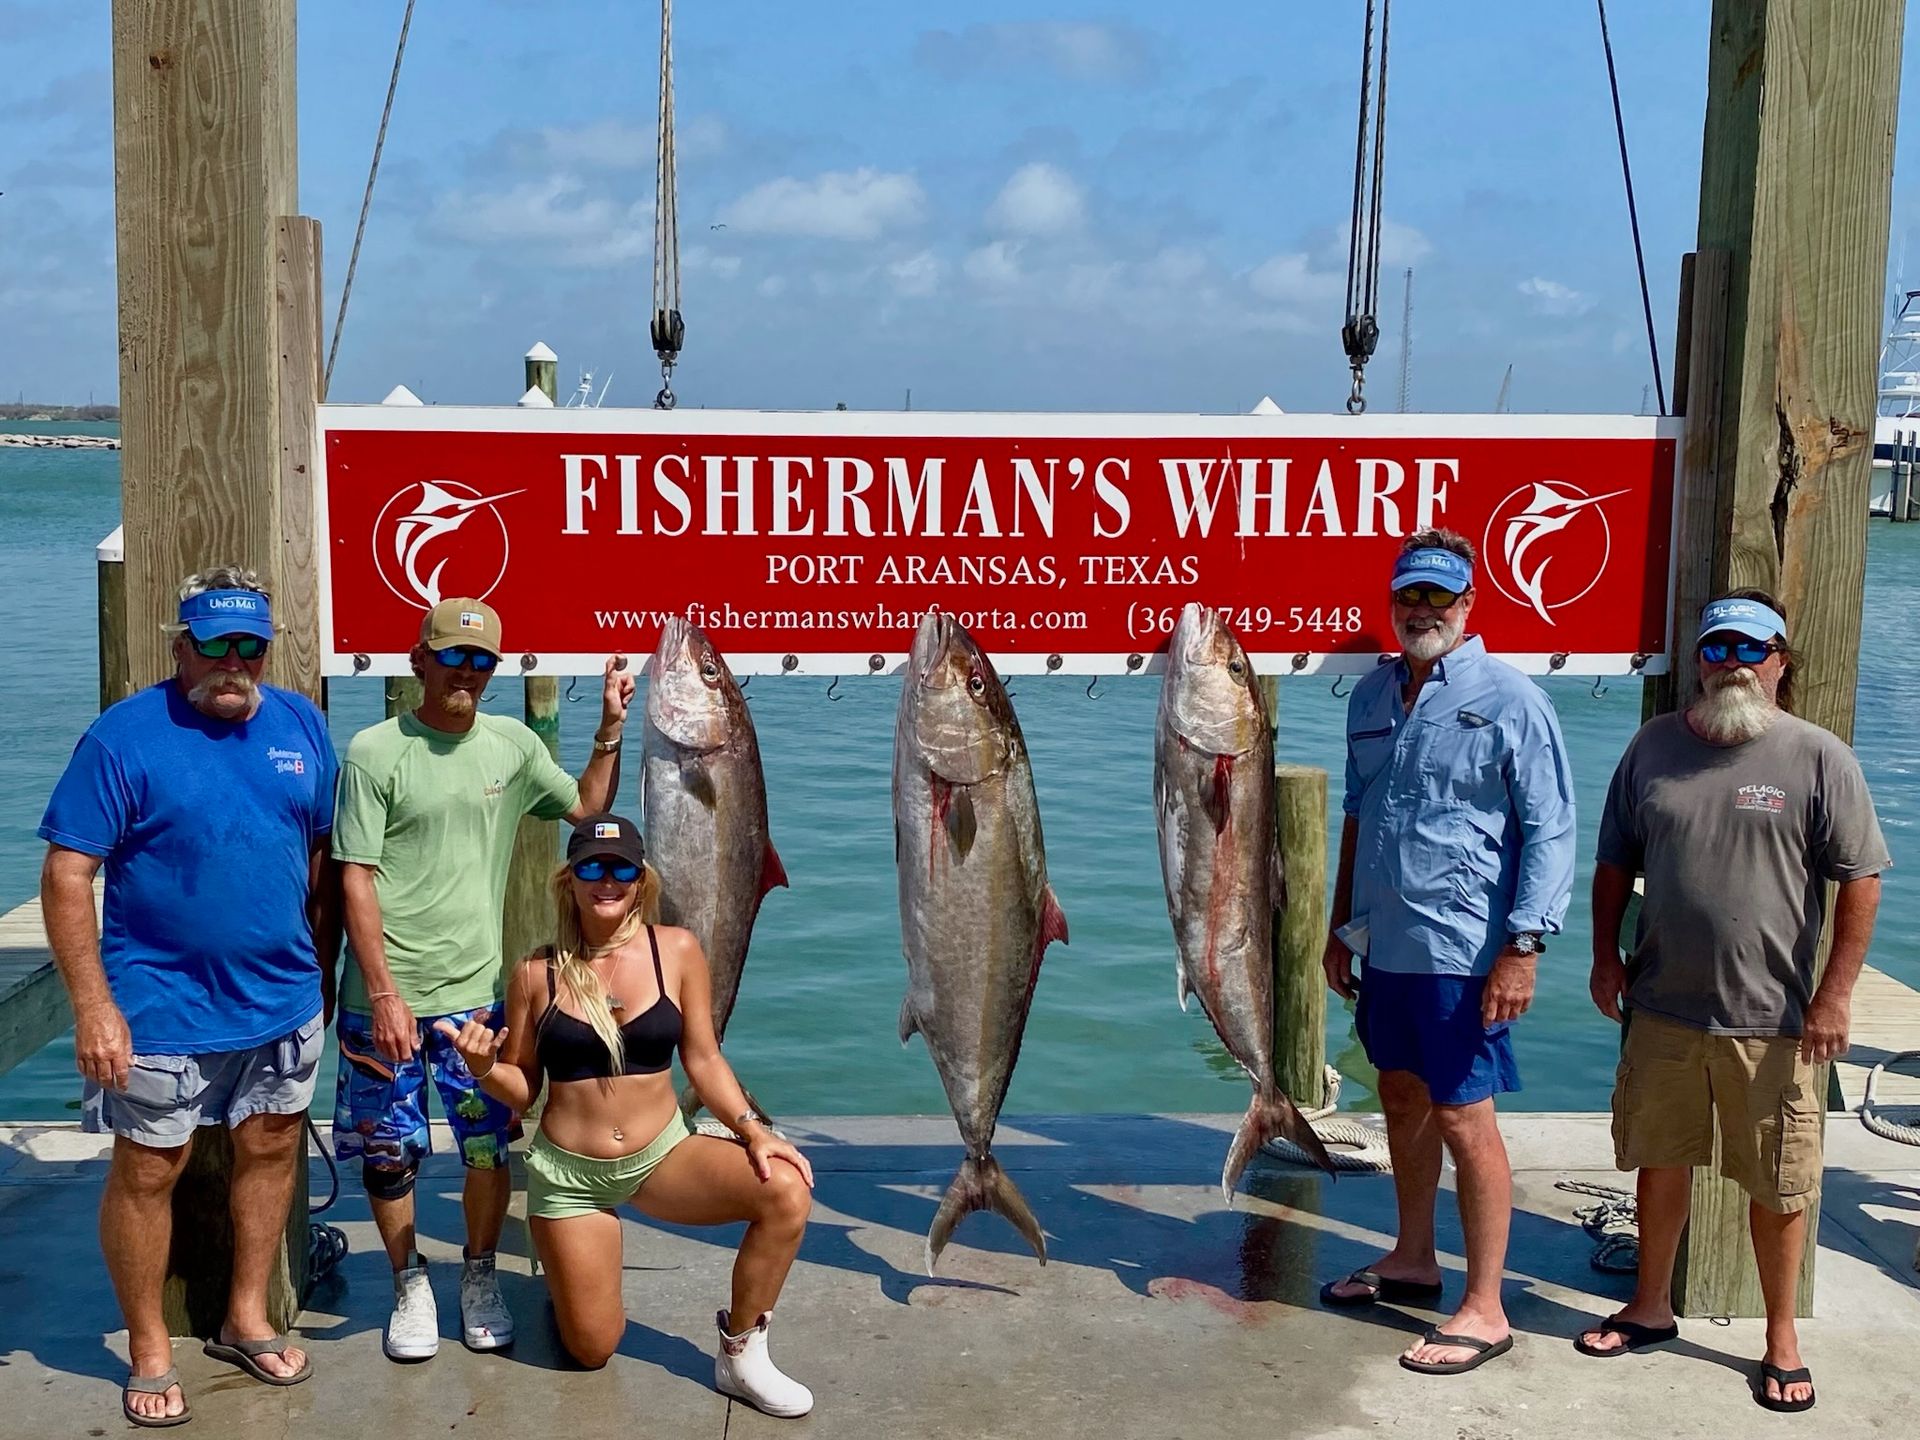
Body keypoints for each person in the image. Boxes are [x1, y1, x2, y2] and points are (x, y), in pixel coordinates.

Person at [39, 568, 339, 1427]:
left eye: (251, 646)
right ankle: (149, 1347)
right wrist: (95, 1007)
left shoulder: (301, 725)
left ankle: (247, 1316)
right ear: (182, 646)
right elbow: (67, 873)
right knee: (149, 1169)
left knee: (272, 1148)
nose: (234, 663)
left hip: (282, 1001)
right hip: (158, 1006)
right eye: (216, 646)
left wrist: (318, 971)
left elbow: (318, 855)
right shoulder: (123, 737)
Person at [1584, 591, 1887, 1414]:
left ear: (1781, 661)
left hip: (1778, 1023)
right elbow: (1613, 861)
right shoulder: (1652, 748)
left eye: (1750, 650)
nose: (1732, 664)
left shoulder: (1819, 756)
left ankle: (1781, 1338)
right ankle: (1650, 1305)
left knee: (1779, 1186)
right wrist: (1604, 957)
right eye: (1717, 649)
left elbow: (1860, 878)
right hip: (1663, 1011)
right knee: (1659, 1160)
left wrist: (1836, 996)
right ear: (1699, 660)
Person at [331, 597, 633, 1362]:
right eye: (453, 656)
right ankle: (407, 1284)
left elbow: (586, 807)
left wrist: (608, 728)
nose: (466, 671)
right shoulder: (373, 750)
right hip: (385, 1000)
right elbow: (355, 878)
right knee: (389, 1153)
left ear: (495, 670)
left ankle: (477, 1274)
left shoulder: (511, 745)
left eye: (482, 661)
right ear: (419, 660)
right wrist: (386, 992)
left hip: (474, 999)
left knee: (488, 1149)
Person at [438, 813, 815, 1415]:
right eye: (591, 866)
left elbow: (704, 1058)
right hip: (571, 1179)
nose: (606, 880)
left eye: (622, 868)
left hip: (664, 1156)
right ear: (570, 880)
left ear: (641, 880)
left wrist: (752, 1130)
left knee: (787, 1190)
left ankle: (741, 1354)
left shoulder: (678, 950)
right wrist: (482, 1069)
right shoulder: (536, 972)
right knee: (591, 1349)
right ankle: (570, 1271)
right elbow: (523, 1088)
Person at [1318, 529, 1576, 1375]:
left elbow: (1551, 829)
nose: (1422, 611)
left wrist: (1524, 946)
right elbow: (1358, 815)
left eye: (1440, 598)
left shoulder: (1513, 700)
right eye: (1409, 598)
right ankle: (1414, 1257)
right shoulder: (1372, 698)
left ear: (1469, 606)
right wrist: (1336, 926)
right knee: (1398, 1094)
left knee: (1467, 1116)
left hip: (1467, 951)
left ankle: (1487, 1305)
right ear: (1392, 605)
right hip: (1385, 943)